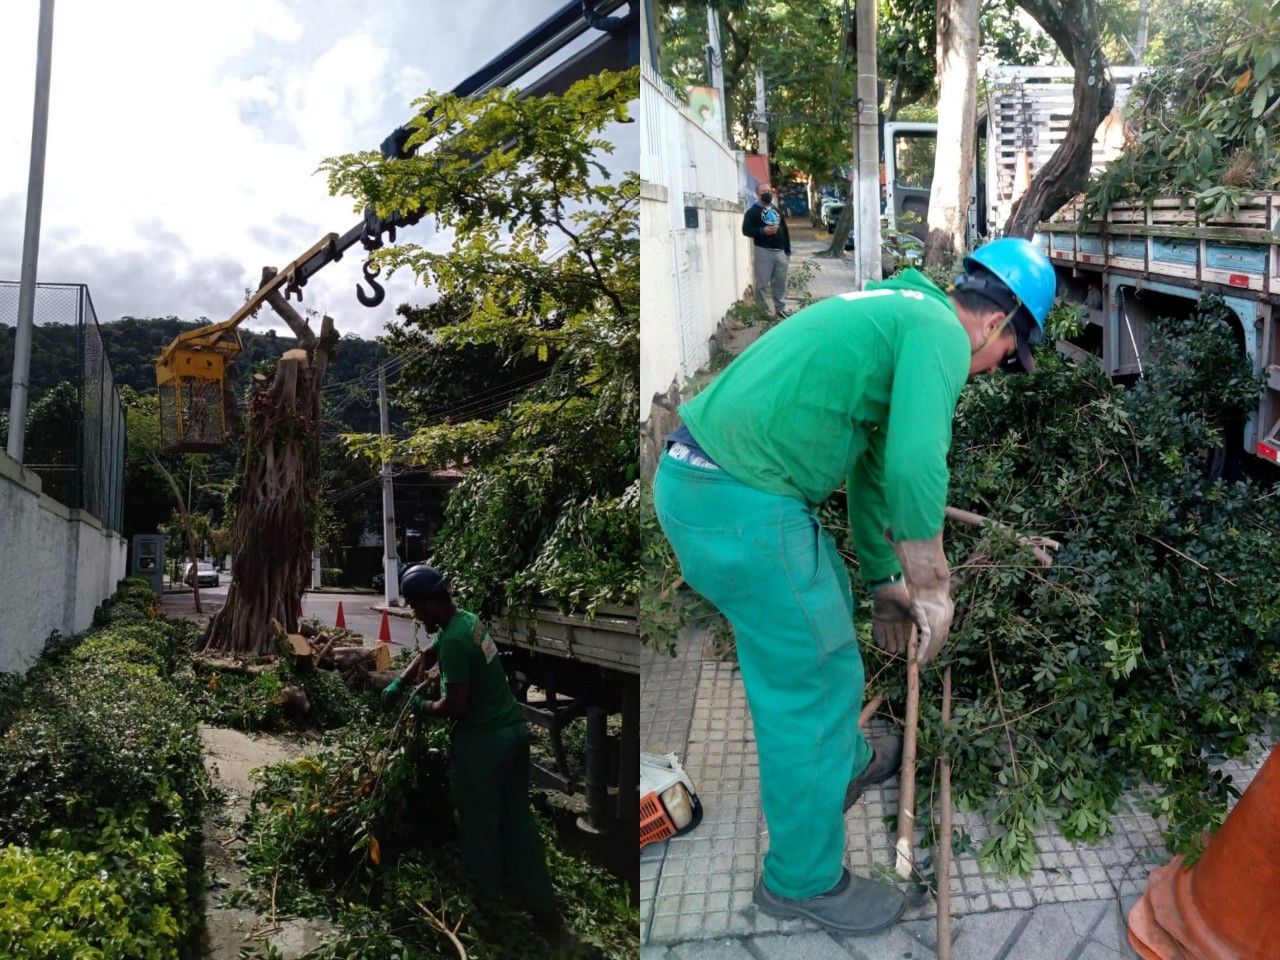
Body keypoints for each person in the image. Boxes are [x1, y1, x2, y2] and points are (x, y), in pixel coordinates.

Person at [653, 237, 1057, 937]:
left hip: (712, 488)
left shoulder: (901, 309)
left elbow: (873, 469)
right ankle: (802, 880)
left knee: (823, 617)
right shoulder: (939, 332)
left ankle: (844, 762)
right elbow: (914, 465)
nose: (994, 370)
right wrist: (931, 582)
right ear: (996, 322)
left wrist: (885, 581)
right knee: (813, 683)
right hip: (741, 503)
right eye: (1006, 357)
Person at [381, 564, 558, 928]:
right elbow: (431, 652)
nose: (415, 616)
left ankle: (488, 906)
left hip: (484, 743)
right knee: (519, 820)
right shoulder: (467, 622)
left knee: (480, 824)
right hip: (513, 733)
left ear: (430, 603)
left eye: (416, 608)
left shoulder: (456, 642)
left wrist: (421, 706)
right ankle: (542, 906)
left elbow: (456, 706)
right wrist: (401, 681)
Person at [743, 181, 791, 318]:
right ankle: (762, 312)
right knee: (762, 283)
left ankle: (780, 309)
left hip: (780, 252)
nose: (767, 194)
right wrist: (762, 231)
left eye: (769, 191)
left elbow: (785, 230)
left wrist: (787, 251)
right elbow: (746, 230)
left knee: (780, 282)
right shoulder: (752, 212)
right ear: (758, 195)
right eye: (764, 192)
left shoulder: (776, 210)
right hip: (764, 251)